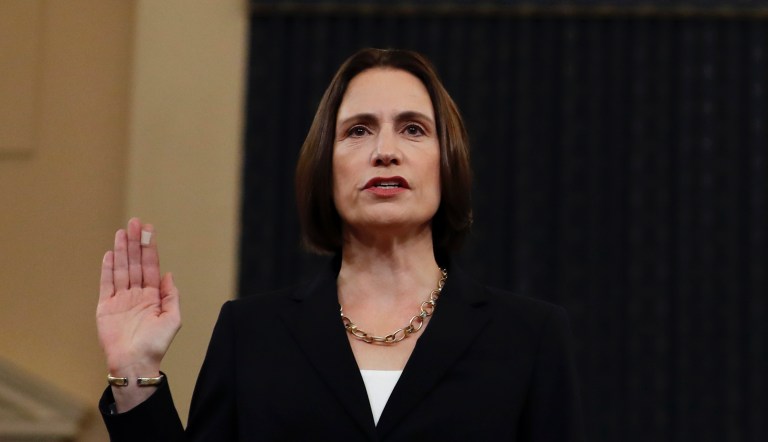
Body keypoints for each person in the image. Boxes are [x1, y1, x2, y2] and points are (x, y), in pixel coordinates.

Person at [96, 48, 584, 441]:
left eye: (413, 129)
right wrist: (135, 373)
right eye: (358, 130)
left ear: (447, 161)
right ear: (325, 167)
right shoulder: (251, 334)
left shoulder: (530, 336)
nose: (385, 151)